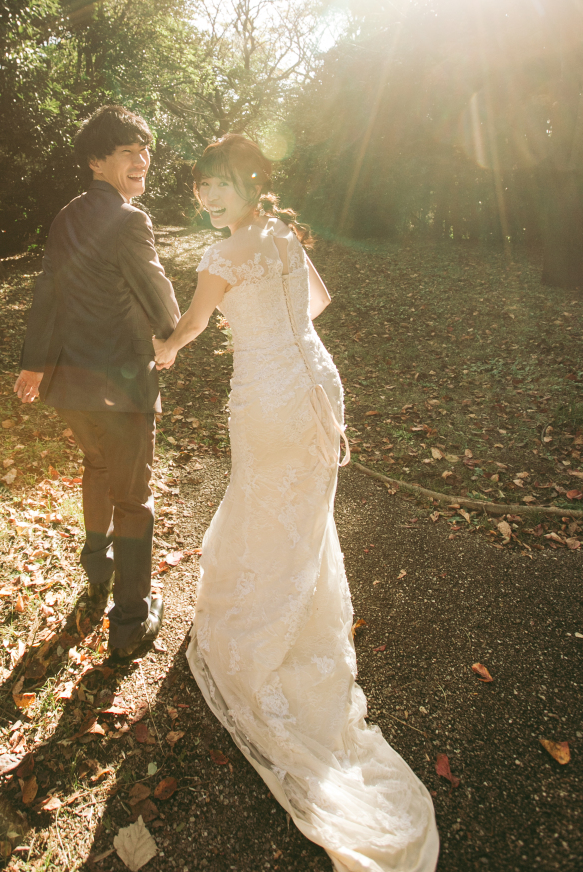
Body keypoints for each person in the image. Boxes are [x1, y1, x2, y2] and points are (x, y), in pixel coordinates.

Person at [153, 134, 439, 872]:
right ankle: (300, 609)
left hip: (271, 396)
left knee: (262, 504)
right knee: (300, 515)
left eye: (219, 185)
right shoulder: (282, 232)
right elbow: (318, 302)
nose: (208, 198)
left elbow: (190, 326)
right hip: (316, 379)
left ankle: (265, 629)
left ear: (249, 183)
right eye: (201, 186)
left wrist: (167, 347)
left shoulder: (222, 255)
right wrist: (269, 323)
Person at [14, 104, 180, 660]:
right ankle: (131, 621)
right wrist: (173, 334)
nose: (141, 160)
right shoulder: (129, 220)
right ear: (95, 161)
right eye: (127, 152)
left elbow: (47, 291)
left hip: (71, 385)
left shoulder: (65, 216)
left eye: (145, 150)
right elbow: (158, 295)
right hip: (123, 386)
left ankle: (98, 576)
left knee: (96, 469)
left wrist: (34, 364)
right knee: (134, 500)